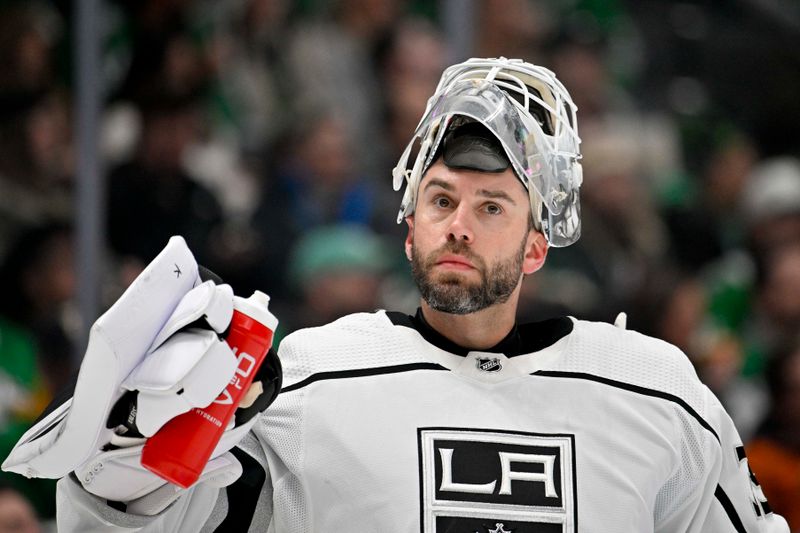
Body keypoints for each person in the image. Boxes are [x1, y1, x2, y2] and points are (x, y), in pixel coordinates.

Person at [2, 57, 789, 532]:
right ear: (409, 227)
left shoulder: (656, 393)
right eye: (441, 201)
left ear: (537, 244)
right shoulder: (303, 382)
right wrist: (129, 454)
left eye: (492, 208)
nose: (459, 226)